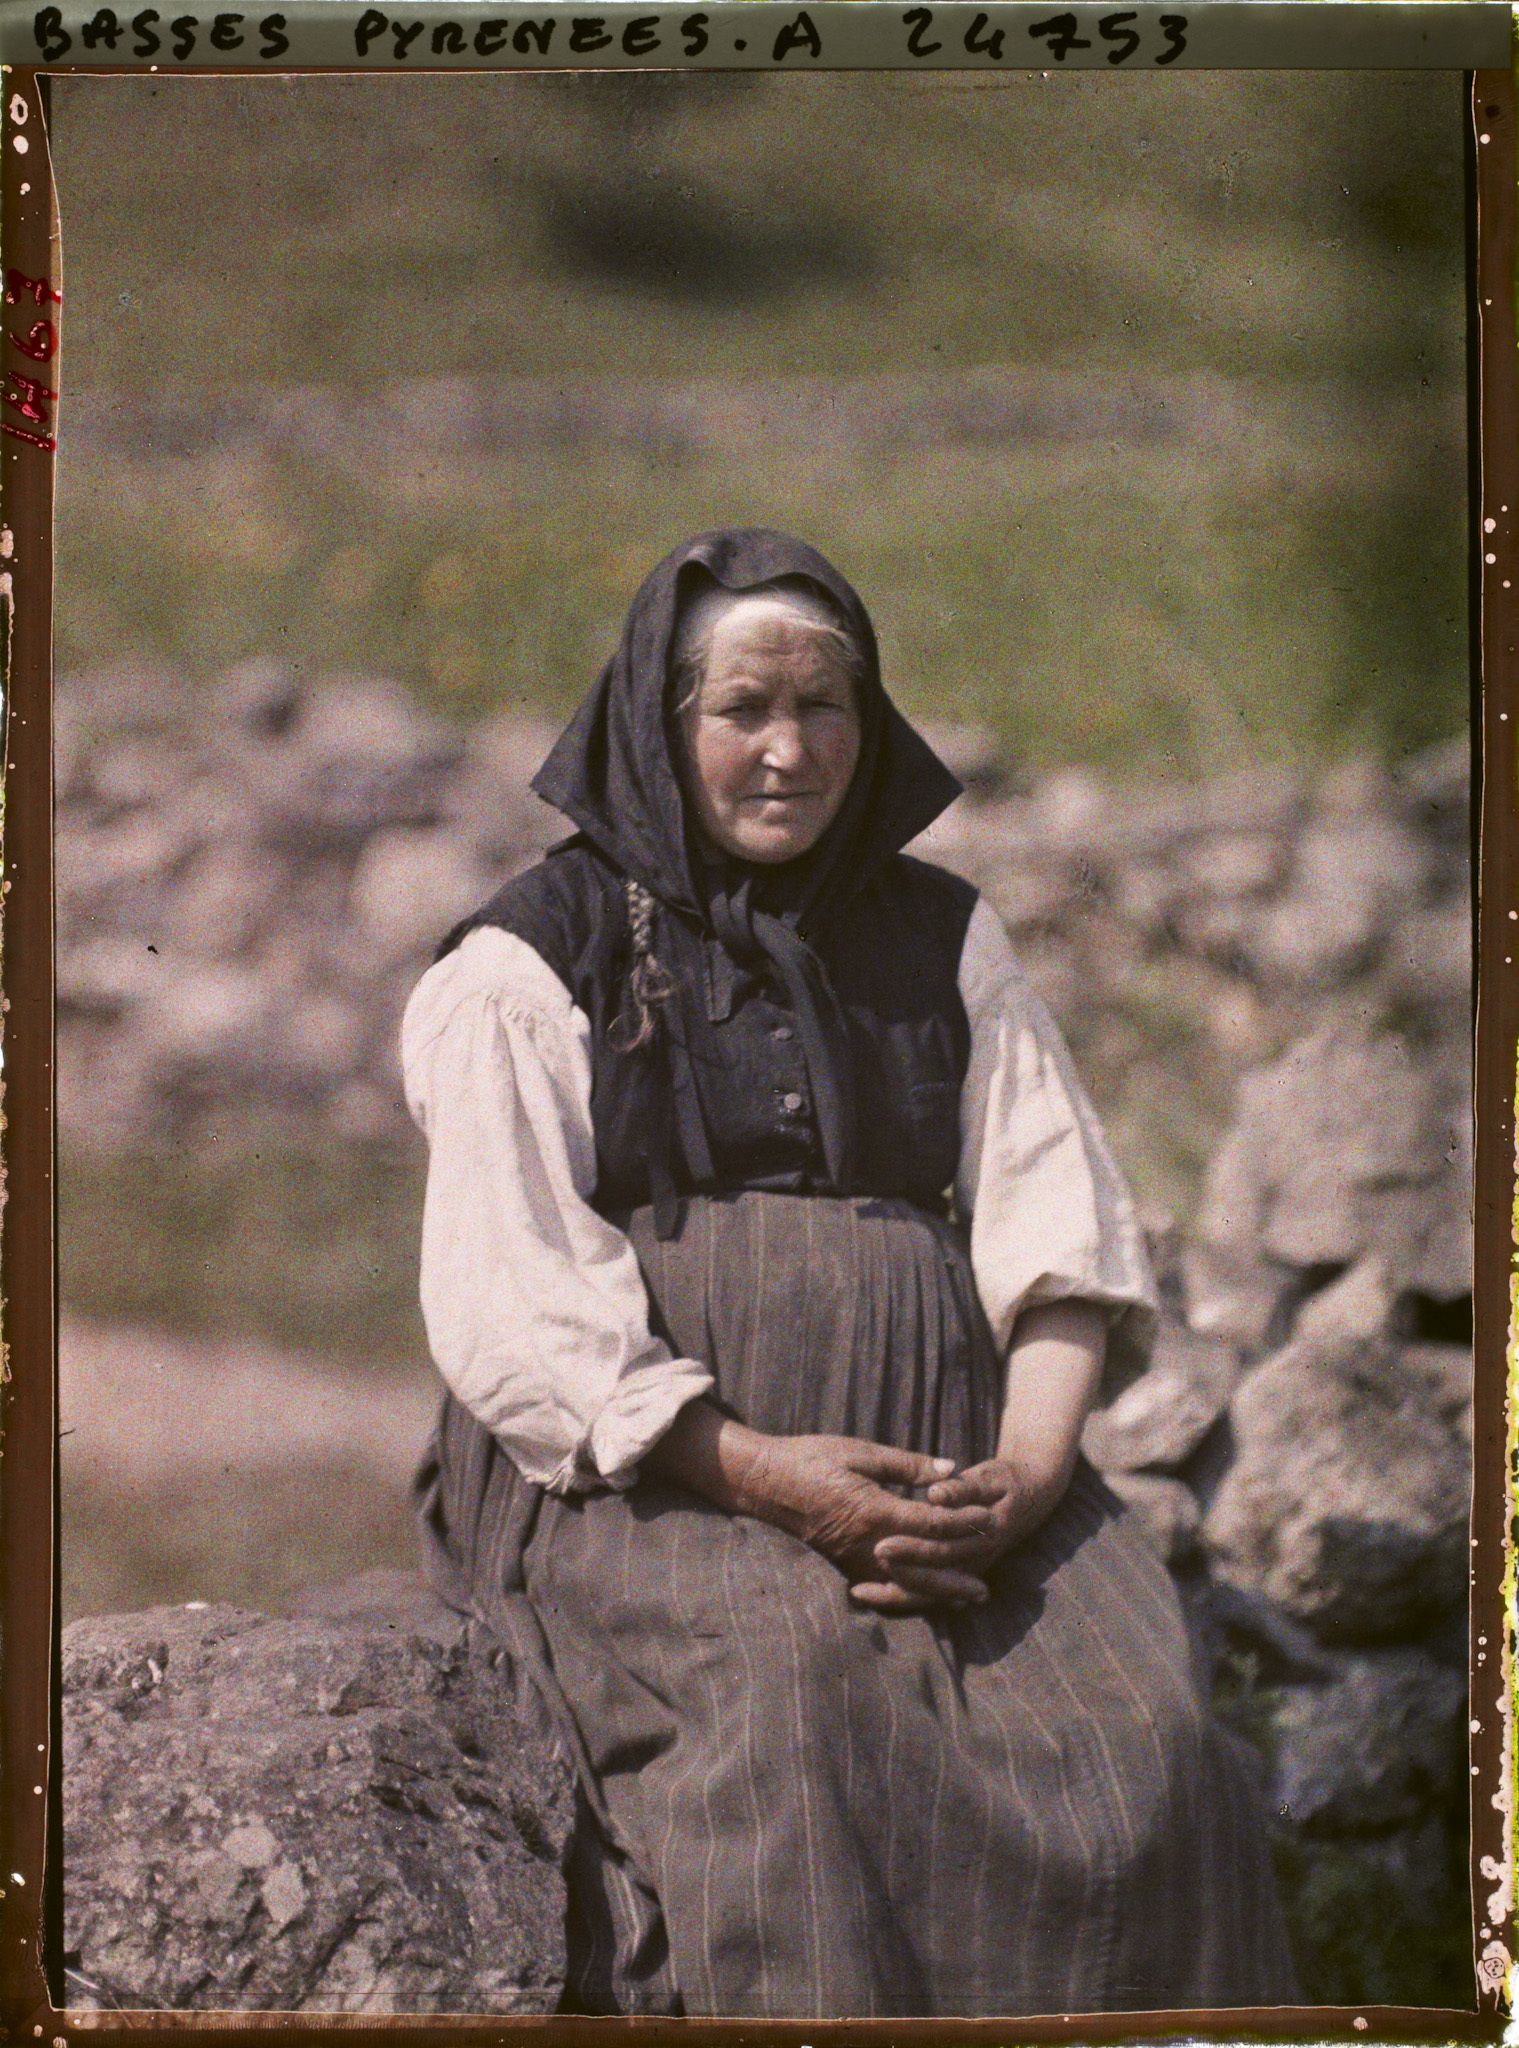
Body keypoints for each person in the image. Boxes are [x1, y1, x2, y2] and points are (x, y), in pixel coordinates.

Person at [402, 527, 1297, 2019]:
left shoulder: (943, 935)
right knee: (794, 1706)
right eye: (743, 709)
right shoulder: (525, 964)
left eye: (829, 708)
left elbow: (1054, 1229)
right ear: (659, 724)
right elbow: (516, 1303)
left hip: (953, 1472)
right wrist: (763, 1474)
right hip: (651, 1486)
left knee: (1153, 1748)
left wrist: (1017, 1477)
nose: (789, 750)